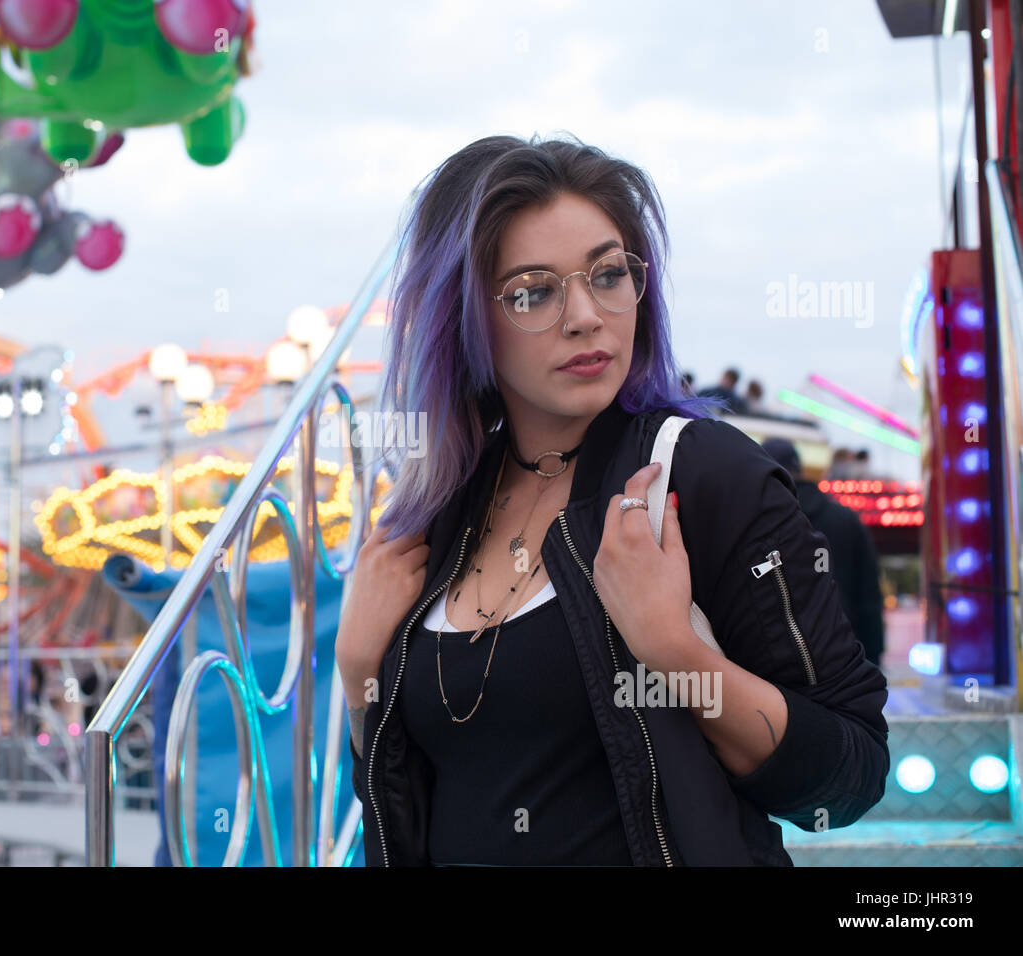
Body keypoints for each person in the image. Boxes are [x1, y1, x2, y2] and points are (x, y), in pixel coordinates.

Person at [336, 134, 889, 868]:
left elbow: (849, 775)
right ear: (462, 317)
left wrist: (674, 652)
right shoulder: (440, 511)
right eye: (533, 291)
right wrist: (357, 674)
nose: (586, 316)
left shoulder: (701, 476)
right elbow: (408, 801)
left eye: (608, 274)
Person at [761, 438, 886, 667]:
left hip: (780, 660)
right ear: (798, 468)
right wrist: (874, 657)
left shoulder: (760, 523)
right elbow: (869, 594)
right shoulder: (846, 519)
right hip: (846, 651)